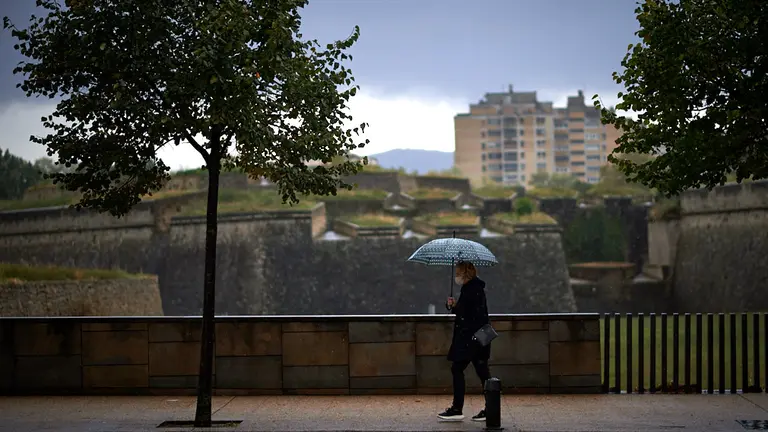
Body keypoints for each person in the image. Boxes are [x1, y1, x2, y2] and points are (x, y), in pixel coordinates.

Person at [437, 260, 491, 422]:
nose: (456, 277)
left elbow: (469, 315)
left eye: (458, 273)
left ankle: (457, 408)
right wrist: (454, 306)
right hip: (478, 338)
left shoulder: (471, 290)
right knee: (482, 372)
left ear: (465, 274)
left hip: (471, 339)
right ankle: (490, 407)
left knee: (459, 369)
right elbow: (470, 312)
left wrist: (456, 307)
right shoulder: (474, 288)